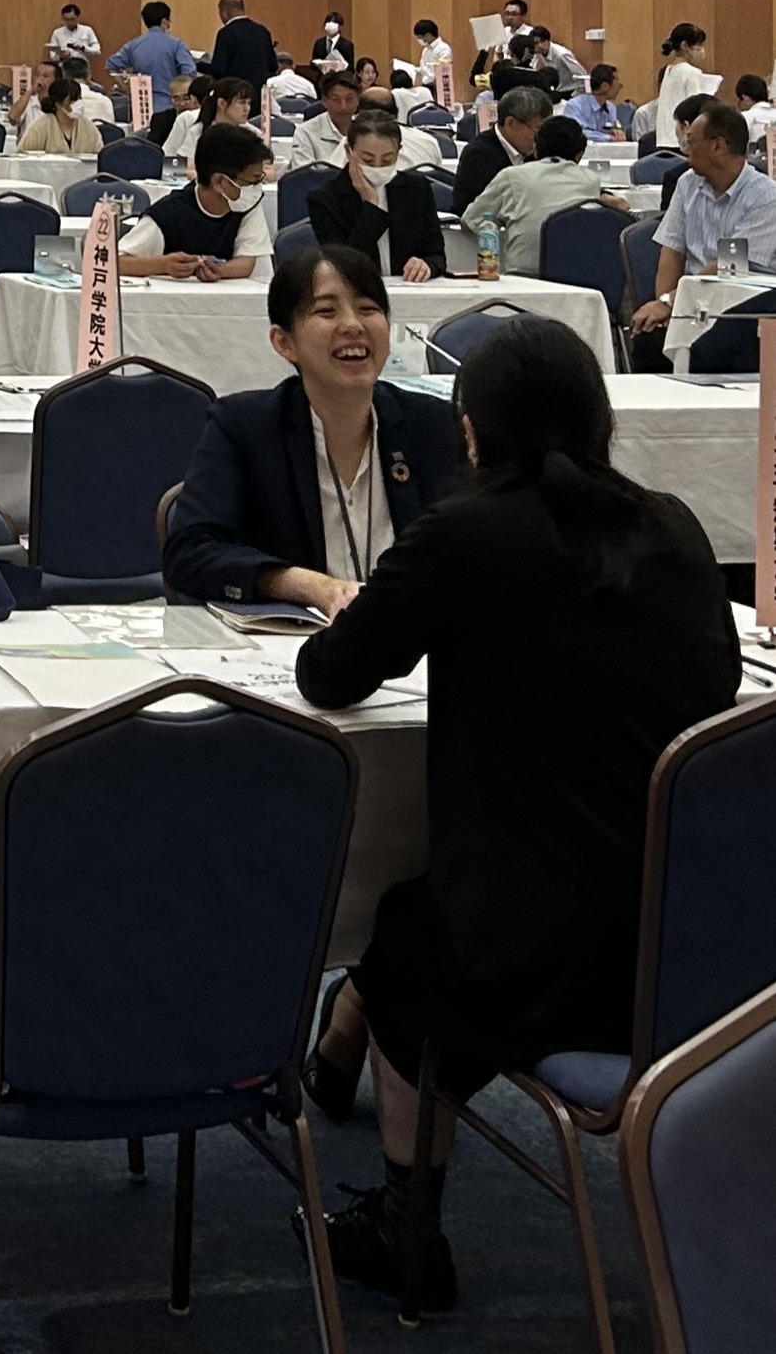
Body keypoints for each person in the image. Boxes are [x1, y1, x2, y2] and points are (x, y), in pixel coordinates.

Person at [294, 316, 736, 1306]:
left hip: (529, 957)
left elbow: (330, 675)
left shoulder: (464, 532)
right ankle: (338, 1048)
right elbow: (715, 684)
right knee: (426, 914)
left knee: (406, 936)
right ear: (601, 420)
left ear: (470, 432)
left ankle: (406, 1223)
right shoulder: (671, 525)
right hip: (688, 953)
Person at [164, 245, 462, 610]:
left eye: (368, 308)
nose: (353, 325)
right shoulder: (244, 427)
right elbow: (189, 553)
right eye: (326, 311)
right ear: (284, 342)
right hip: (296, 637)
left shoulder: (433, 425)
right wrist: (306, 586)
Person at [629, 102, 776, 358]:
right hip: (690, 303)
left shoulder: (765, 197)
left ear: (717, 146)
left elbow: (728, 266)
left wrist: (671, 302)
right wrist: (668, 307)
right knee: (648, 341)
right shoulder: (687, 183)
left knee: (711, 348)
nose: (684, 149)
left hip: (741, 310)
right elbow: (672, 251)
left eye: (691, 141)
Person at [463, 114, 625, 276]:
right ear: (580, 154)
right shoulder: (590, 180)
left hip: (523, 276)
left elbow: (472, 220)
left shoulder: (512, 176)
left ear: (535, 148)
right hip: (575, 277)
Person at [118, 123, 275, 281]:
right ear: (219, 181)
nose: (257, 187)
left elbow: (247, 261)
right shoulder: (167, 214)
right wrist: (163, 265)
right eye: (252, 181)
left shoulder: (246, 204)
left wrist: (221, 271)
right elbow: (117, 262)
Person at [306, 112, 447, 281]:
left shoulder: (417, 189)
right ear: (349, 152)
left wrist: (427, 265)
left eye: (387, 160)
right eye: (368, 160)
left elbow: (436, 255)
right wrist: (372, 206)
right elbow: (344, 265)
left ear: (398, 152)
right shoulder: (325, 199)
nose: (378, 167)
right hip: (358, 290)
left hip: (409, 287)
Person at [449, 83, 551, 212]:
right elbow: (475, 210)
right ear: (510, 123)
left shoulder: (538, 150)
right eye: (538, 130)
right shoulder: (479, 155)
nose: (542, 137)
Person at [107, 2, 198, 107]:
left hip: (141, 104)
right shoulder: (176, 44)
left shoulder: (133, 45)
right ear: (164, 21)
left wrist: (127, 90)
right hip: (168, 103)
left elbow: (111, 65)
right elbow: (190, 72)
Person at [8, 68, 103, 157]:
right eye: (71, 101)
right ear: (58, 104)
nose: (77, 104)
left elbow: (99, 155)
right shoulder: (39, 127)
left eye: (78, 99)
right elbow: (23, 157)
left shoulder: (88, 127)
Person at [162, 75, 254, 166]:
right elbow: (170, 164)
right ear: (221, 103)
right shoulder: (197, 130)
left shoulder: (252, 133)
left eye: (249, 103)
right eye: (242, 103)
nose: (247, 108)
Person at [203, 0, 278, 93]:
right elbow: (273, 65)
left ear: (224, 13)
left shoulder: (226, 33)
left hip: (235, 93)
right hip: (259, 92)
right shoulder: (262, 31)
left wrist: (200, 65)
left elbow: (219, 70)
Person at [656, 23, 717, 141]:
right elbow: (695, 107)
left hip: (664, 137)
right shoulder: (691, 72)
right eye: (699, 45)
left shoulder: (668, 70)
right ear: (685, 45)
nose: (702, 51)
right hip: (682, 139)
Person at [291, 71, 361, 167]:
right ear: (324, 101)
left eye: (349, 99)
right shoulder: (305, 132)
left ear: (358, 100)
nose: (343, 106)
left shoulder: (366, 130)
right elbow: (304, 173)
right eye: (336, 100)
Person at [564, 63, 627, 142]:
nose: (620, 86)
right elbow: (578, 133)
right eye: (617, 81)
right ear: (604, 86)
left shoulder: (611, 108)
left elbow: (611, 129)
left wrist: (616, 133)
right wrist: (607, 138)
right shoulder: (574, 105)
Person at [149, 74, 196, 147]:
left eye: (186, 98)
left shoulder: (205, 117)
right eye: (176, 99)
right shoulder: (161, 120)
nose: (182, 104)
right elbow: (153, 148)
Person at [412, 17, 453, 93]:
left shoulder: (443, 48)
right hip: (426, 86)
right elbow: (423, 68)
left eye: (420, 37)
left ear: (428, 35)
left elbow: (442, 71)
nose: (419, 40)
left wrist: (426, 71)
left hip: (439, 88)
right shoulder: (425, 50)